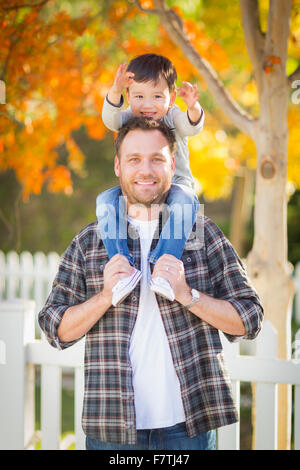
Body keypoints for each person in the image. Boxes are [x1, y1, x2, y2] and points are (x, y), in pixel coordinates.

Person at [38, 117, 264, 451]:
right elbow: (54, 329)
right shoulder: (90, 241)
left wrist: (188, 295)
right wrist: (103, 297)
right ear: (118, 166)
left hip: (189, 429)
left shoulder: (203, 234)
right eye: (134, 159)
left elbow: (250, 320)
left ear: (173, 164)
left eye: (157, 159)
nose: (146, 170)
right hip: (111, 429)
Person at [97, 54, 204, 306]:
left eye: (157, 96)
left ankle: (165, 269)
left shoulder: (172, 116)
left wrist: (193, 108)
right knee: (105, 201)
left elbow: (192, 126)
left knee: (186, 202)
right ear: (129, 96)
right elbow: (109, 119)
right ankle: (122, 267)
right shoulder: (128, 117)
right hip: (140, 187)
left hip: (175, 185)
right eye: (139, 96)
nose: (147, 104)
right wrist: (115, 90)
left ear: (172, 97)